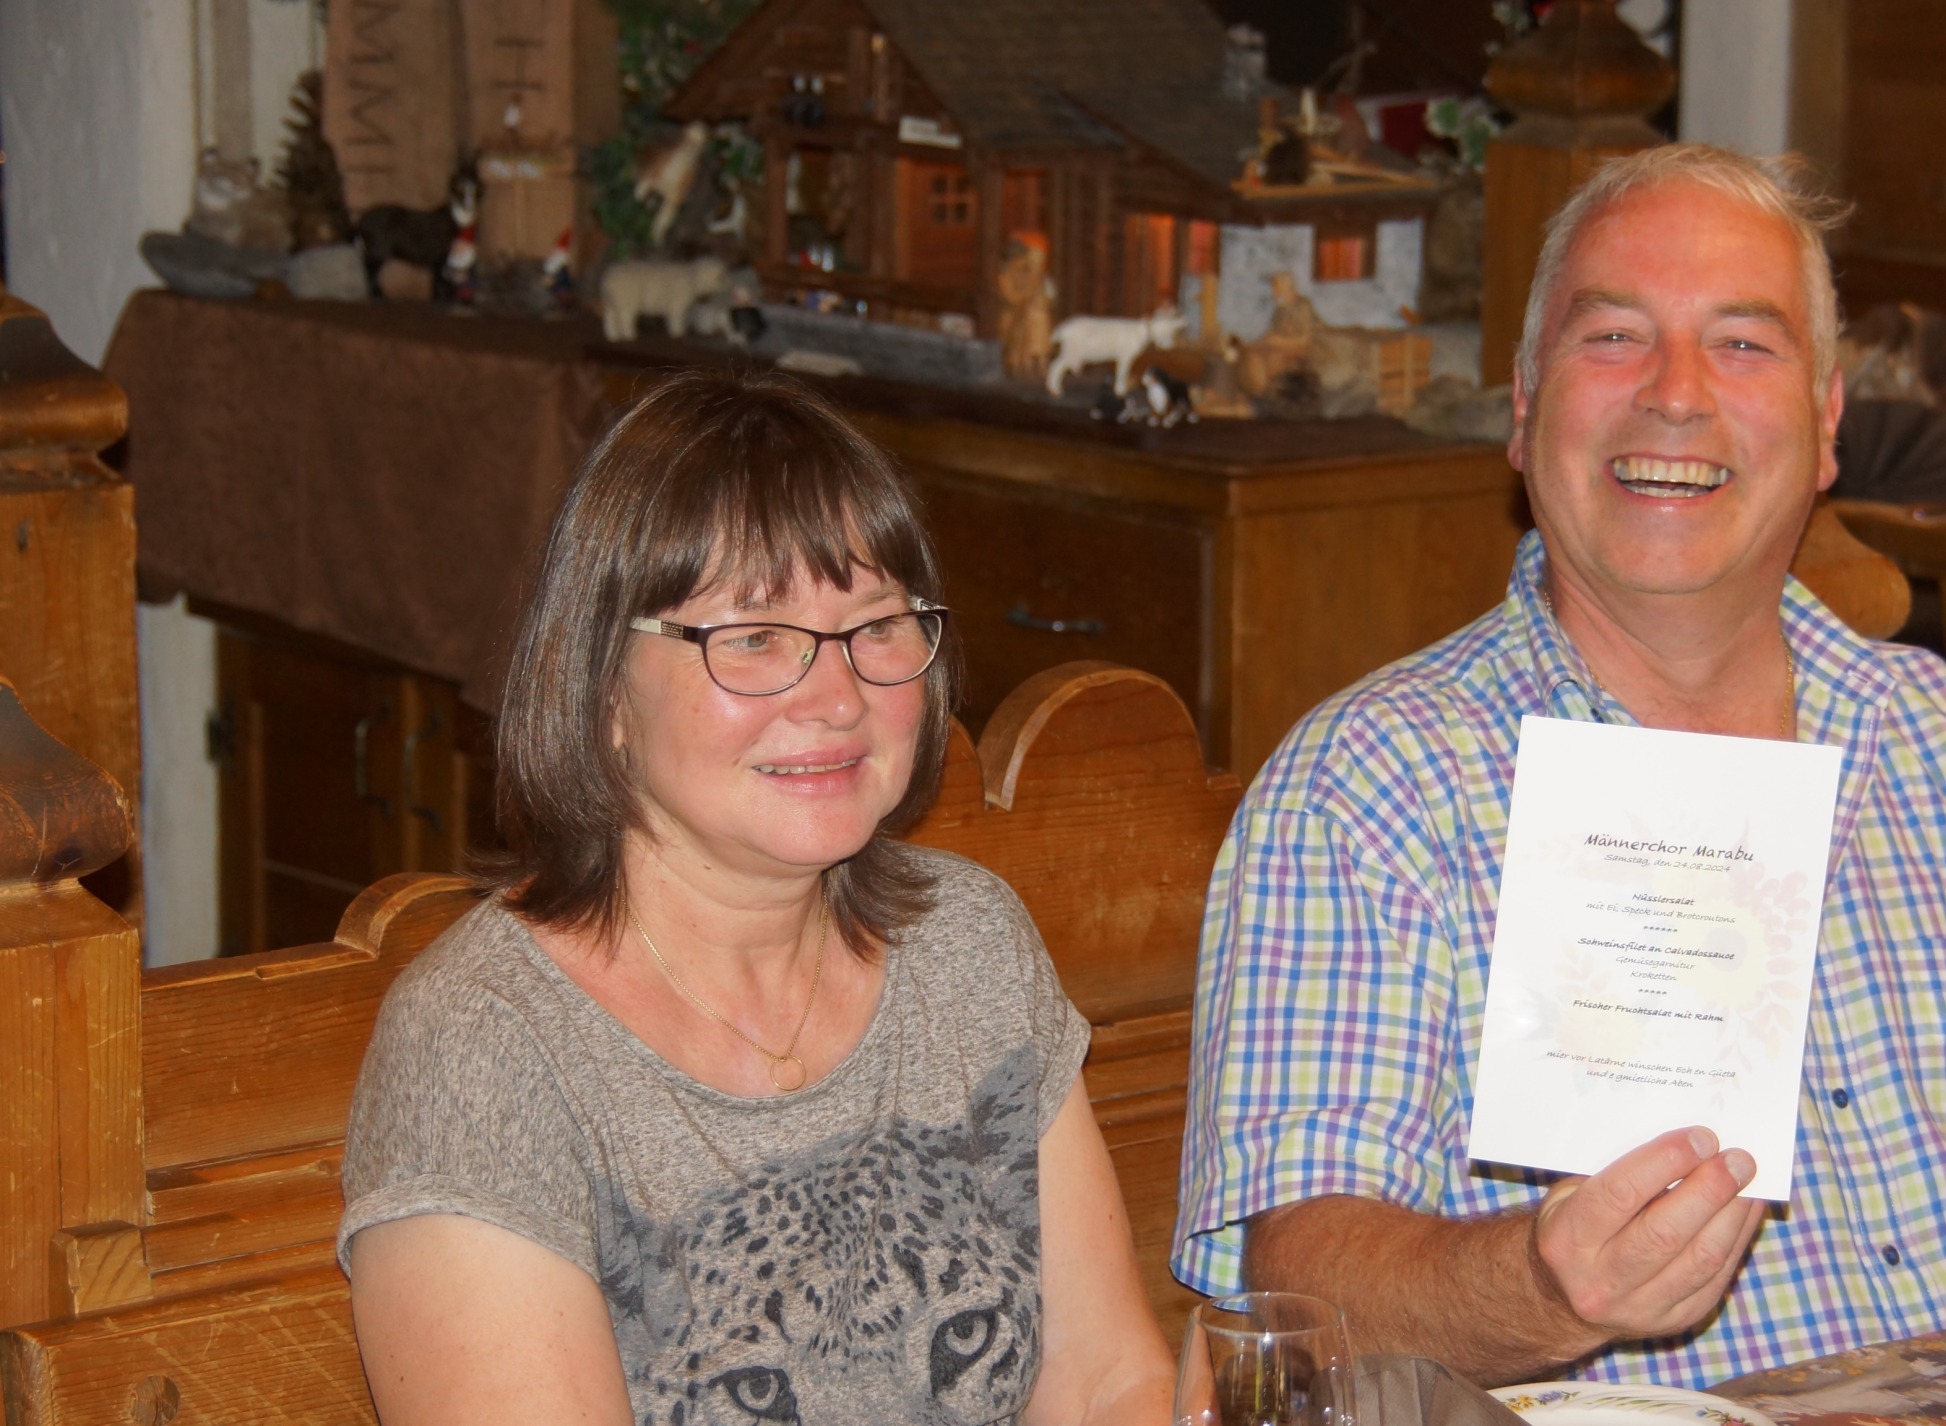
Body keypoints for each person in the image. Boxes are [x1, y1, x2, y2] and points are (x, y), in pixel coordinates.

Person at [1175, 143, 1946, 1389]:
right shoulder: (1372, 784)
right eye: (1613, 338)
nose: (1675, 394)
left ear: (1823, 425)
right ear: (1524, 410)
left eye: (1741, 343)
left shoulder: (1930, 741)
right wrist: (1540, 1286)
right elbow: (1301, 1293)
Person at [339, 369, 1174, 1425]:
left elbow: (1106, 1383)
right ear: (604, 690)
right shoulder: (484, 1048)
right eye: (752, 637)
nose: (836, 697)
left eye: (876, 625)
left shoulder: (963, 939)